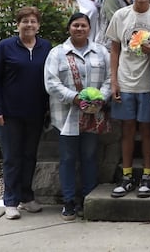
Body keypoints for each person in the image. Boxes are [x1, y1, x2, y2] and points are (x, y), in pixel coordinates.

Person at [44, 12, 111, 221]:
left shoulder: (101, 52)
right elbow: (51, 82)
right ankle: (69, 201)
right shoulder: (57, 53)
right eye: (75, 25)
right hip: (65, 116)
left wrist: (101, 98)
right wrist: (74, 98)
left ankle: (87, 199)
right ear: (69, 28)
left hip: (93, 116)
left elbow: (110, 78)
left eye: (83, 26)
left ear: (89, 29)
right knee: (68, 159)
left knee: (90, 157)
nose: (80, 29)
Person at [106, 0, 150, 199]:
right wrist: (113, 80)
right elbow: (114, 49)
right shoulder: (121, 16)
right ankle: (127, 175)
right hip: (125, 81)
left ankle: (148, 176)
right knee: (128, 130)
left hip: (149, 83)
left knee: (147, 130)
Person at [0, 6, 52, 220]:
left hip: (35, 113)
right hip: (9, 114)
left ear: (38, 25)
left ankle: (27, 197)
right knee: (12, 158)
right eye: (25, 21)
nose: (29, 25)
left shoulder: (46, 47)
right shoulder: (5, 47)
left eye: (33, 21)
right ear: (18, 24)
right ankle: (11, 201)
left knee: (29, 156)